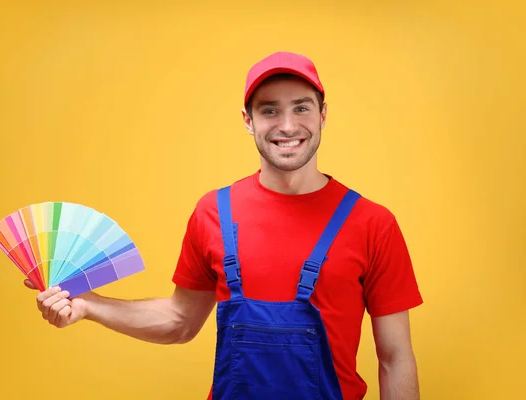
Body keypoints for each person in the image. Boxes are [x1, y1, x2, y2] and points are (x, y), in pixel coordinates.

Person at [26, 51, 423, 399]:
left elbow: (395, 358)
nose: (287, 125)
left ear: (322, 114)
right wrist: (88, 303)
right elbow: (179, 322)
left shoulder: (373, 223)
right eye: (269, 110)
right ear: (248, 120)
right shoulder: (214, 212)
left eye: (301, 107)